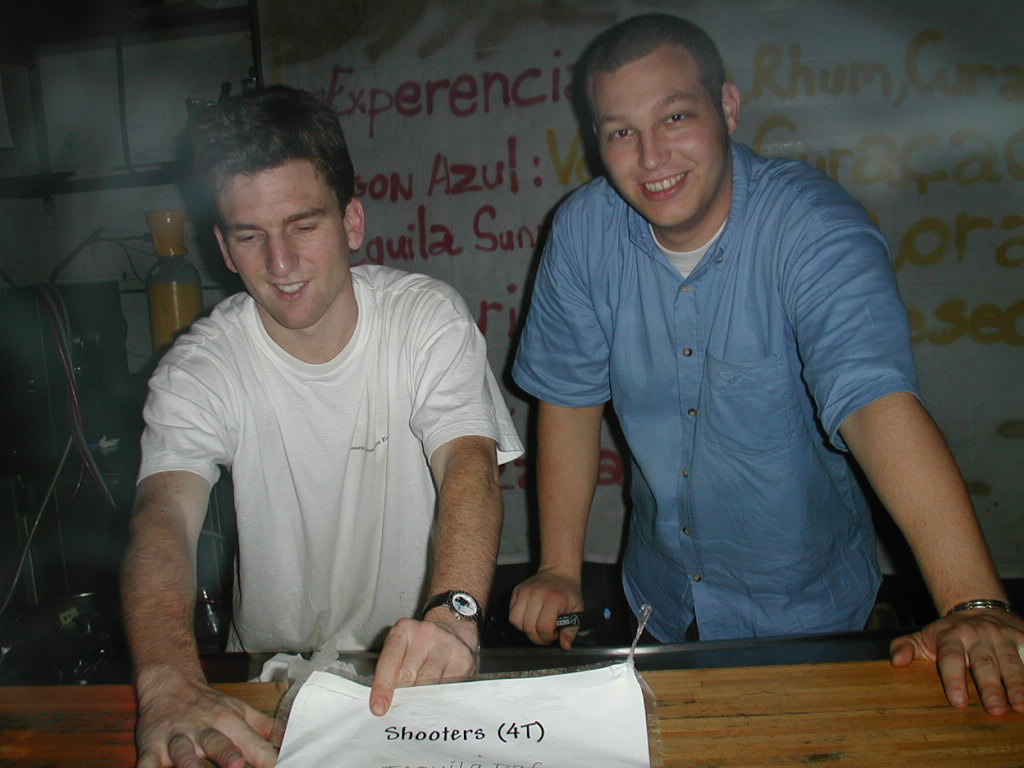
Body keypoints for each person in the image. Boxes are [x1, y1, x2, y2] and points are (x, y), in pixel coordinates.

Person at [509, 13, 1024, 716]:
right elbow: (570, 399)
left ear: (727, 107)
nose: (651, 157)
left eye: (675, 117)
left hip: (809, 612)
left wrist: (974, 603)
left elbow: (872, 402)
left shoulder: (815, 228)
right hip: (658, 599)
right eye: (621, 132)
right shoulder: (580, 232)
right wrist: (559, 568)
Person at [121, 85, 524, 768]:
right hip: (263, 680)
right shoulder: (199, 367)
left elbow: (469, 465)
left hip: (418, 659)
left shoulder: (424, 320)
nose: (280, 264)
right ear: (224, 248)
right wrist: (165, 678)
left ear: (352, 222)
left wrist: (454, 615)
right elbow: (161, 517)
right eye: (250, 236)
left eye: (303, 226)